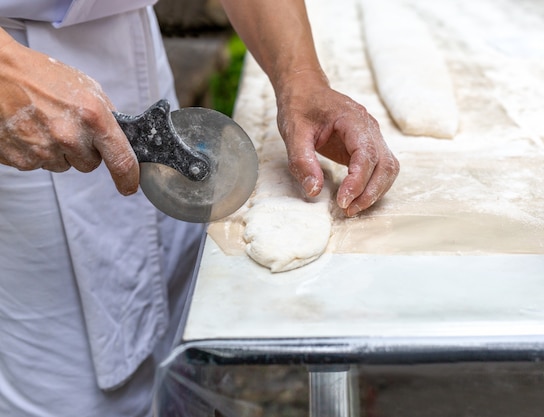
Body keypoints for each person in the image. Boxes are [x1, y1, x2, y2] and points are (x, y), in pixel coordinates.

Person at [0, 0, 399, 416]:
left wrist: (301, 78)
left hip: (132, 51)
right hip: (20, 96)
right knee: (70, 397)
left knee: (179, 349)